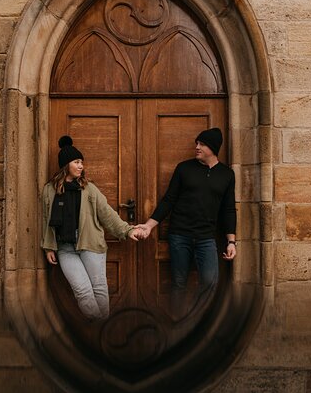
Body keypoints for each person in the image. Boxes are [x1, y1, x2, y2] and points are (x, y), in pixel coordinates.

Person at [137, 127, 237, 318]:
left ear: (213, 148)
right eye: (197, 143)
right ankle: (177, 322)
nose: (197, 147)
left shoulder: (226, 174)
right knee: (179, 283)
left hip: (206, 237)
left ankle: (200, 323)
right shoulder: (184, 168)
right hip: (179, 235)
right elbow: (169, 200)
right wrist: (149, 225)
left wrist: (231, 241)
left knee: (209, 282)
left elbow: (229, 209)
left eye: (201, 144)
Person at [42, 135, 144, 320]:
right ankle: (101, 327)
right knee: (82, 291)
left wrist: (128, 230)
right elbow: (45, 219)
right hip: (65, 248)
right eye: (77, 162)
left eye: (82, 162)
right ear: (66, 165)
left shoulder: (89, 189)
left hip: (90, 244)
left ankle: (102, 330)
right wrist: (49, 246)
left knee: (99, 289)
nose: (81, 166)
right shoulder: (50, 189)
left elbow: (107, 213)